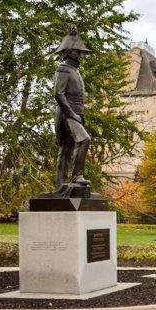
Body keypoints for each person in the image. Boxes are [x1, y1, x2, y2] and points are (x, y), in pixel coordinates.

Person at [53, 25, 92, 190]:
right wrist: (71, 114)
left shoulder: (74, 71)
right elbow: (58, 94)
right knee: (84, 139)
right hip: (67, 114)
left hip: (76, 114)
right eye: (77, 52)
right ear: (68, 52)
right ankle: (77, 175)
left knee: (66, 151)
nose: (80, 56)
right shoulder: (63, 70)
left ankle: (61, 184)